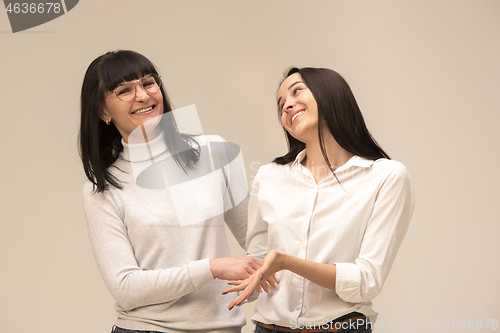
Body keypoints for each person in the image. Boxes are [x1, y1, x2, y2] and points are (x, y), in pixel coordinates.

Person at [79, 50, 268, 333]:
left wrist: (250, 287)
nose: (142, 95)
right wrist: (211, 268)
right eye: (124, 91)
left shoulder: (213, 152)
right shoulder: (103, 189)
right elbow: (126, 288)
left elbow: (260, 240)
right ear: (103, 112)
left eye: (148, 83)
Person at [224, 67, 415, 333]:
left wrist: (288, 262)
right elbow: (258, 264)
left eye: (297, 91)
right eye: (281, 105)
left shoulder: (386, 177)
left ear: (331, 94)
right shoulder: (268, 176)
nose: (287, 105)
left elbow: (366, 281)